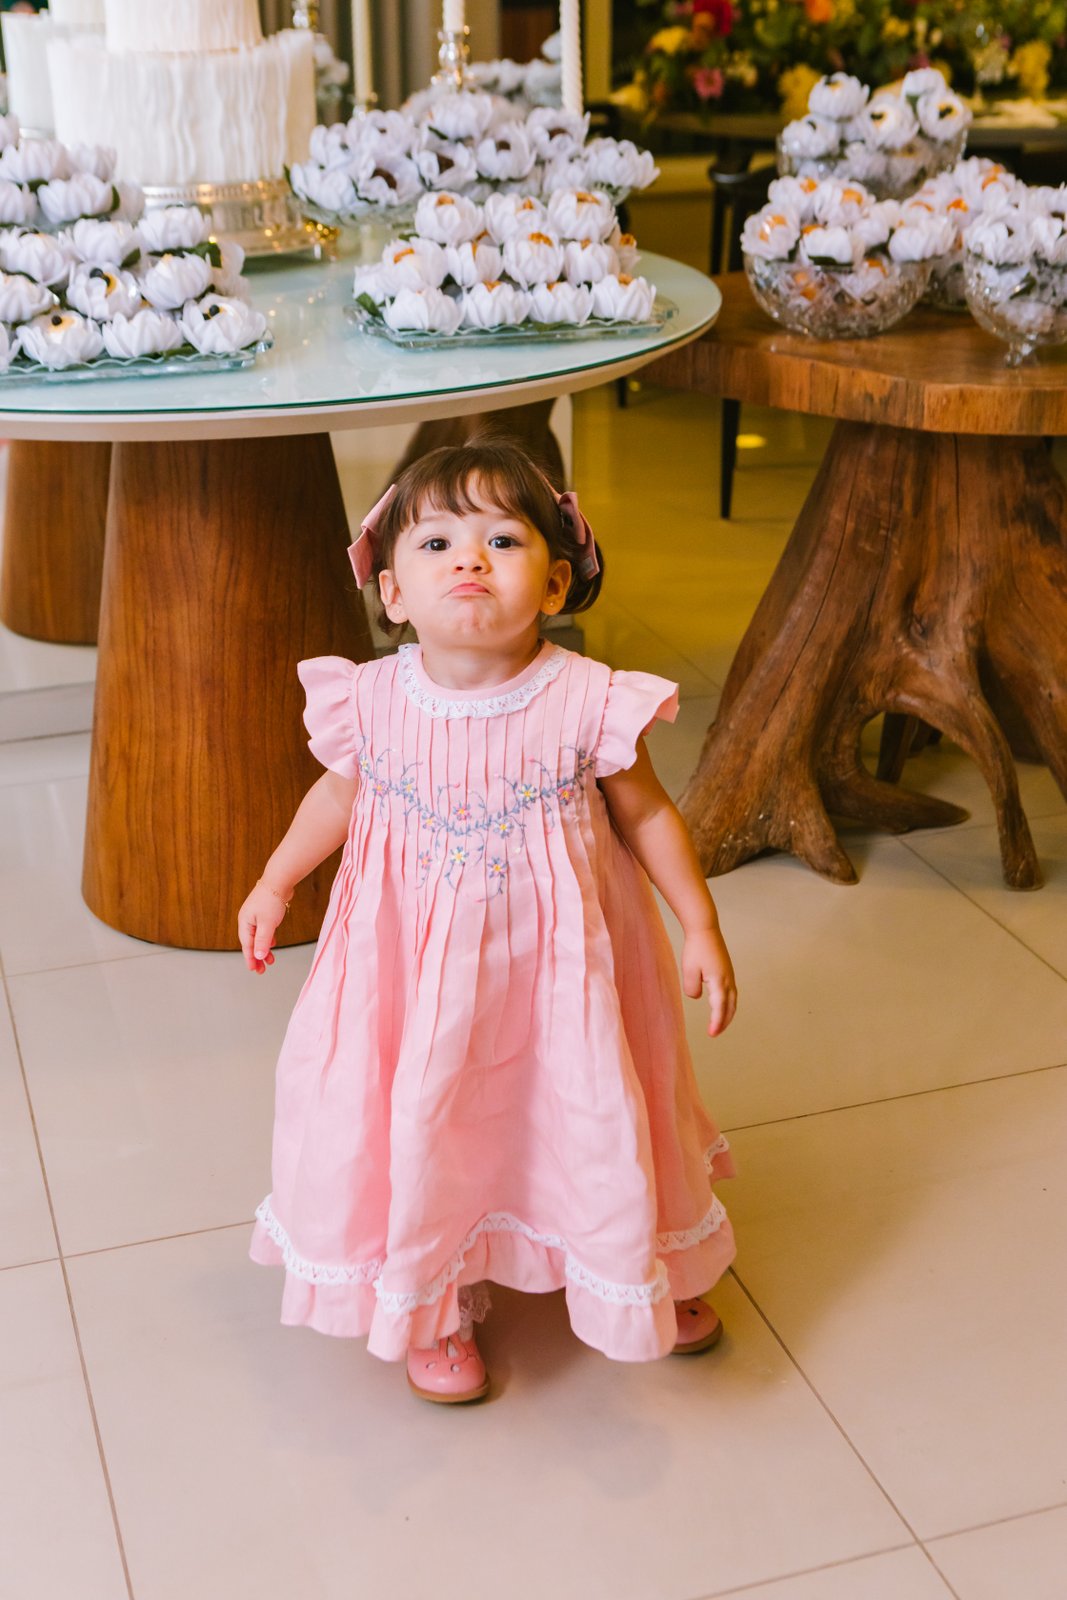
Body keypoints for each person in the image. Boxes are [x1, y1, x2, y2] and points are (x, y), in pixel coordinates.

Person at [243, 441, 738, 1404]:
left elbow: (646, 815)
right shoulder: (370, 700)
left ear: (553, 582)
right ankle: (433, 1293)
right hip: (414, 976)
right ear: (393, 593)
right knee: (434, 1112)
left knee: (587, 1102)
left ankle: (638, 1260)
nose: (468, 559)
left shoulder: (589, 700)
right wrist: (274, 881)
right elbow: (335, 800)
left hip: (561, 979)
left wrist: (701, 924)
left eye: (502, 540)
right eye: (436, 543)